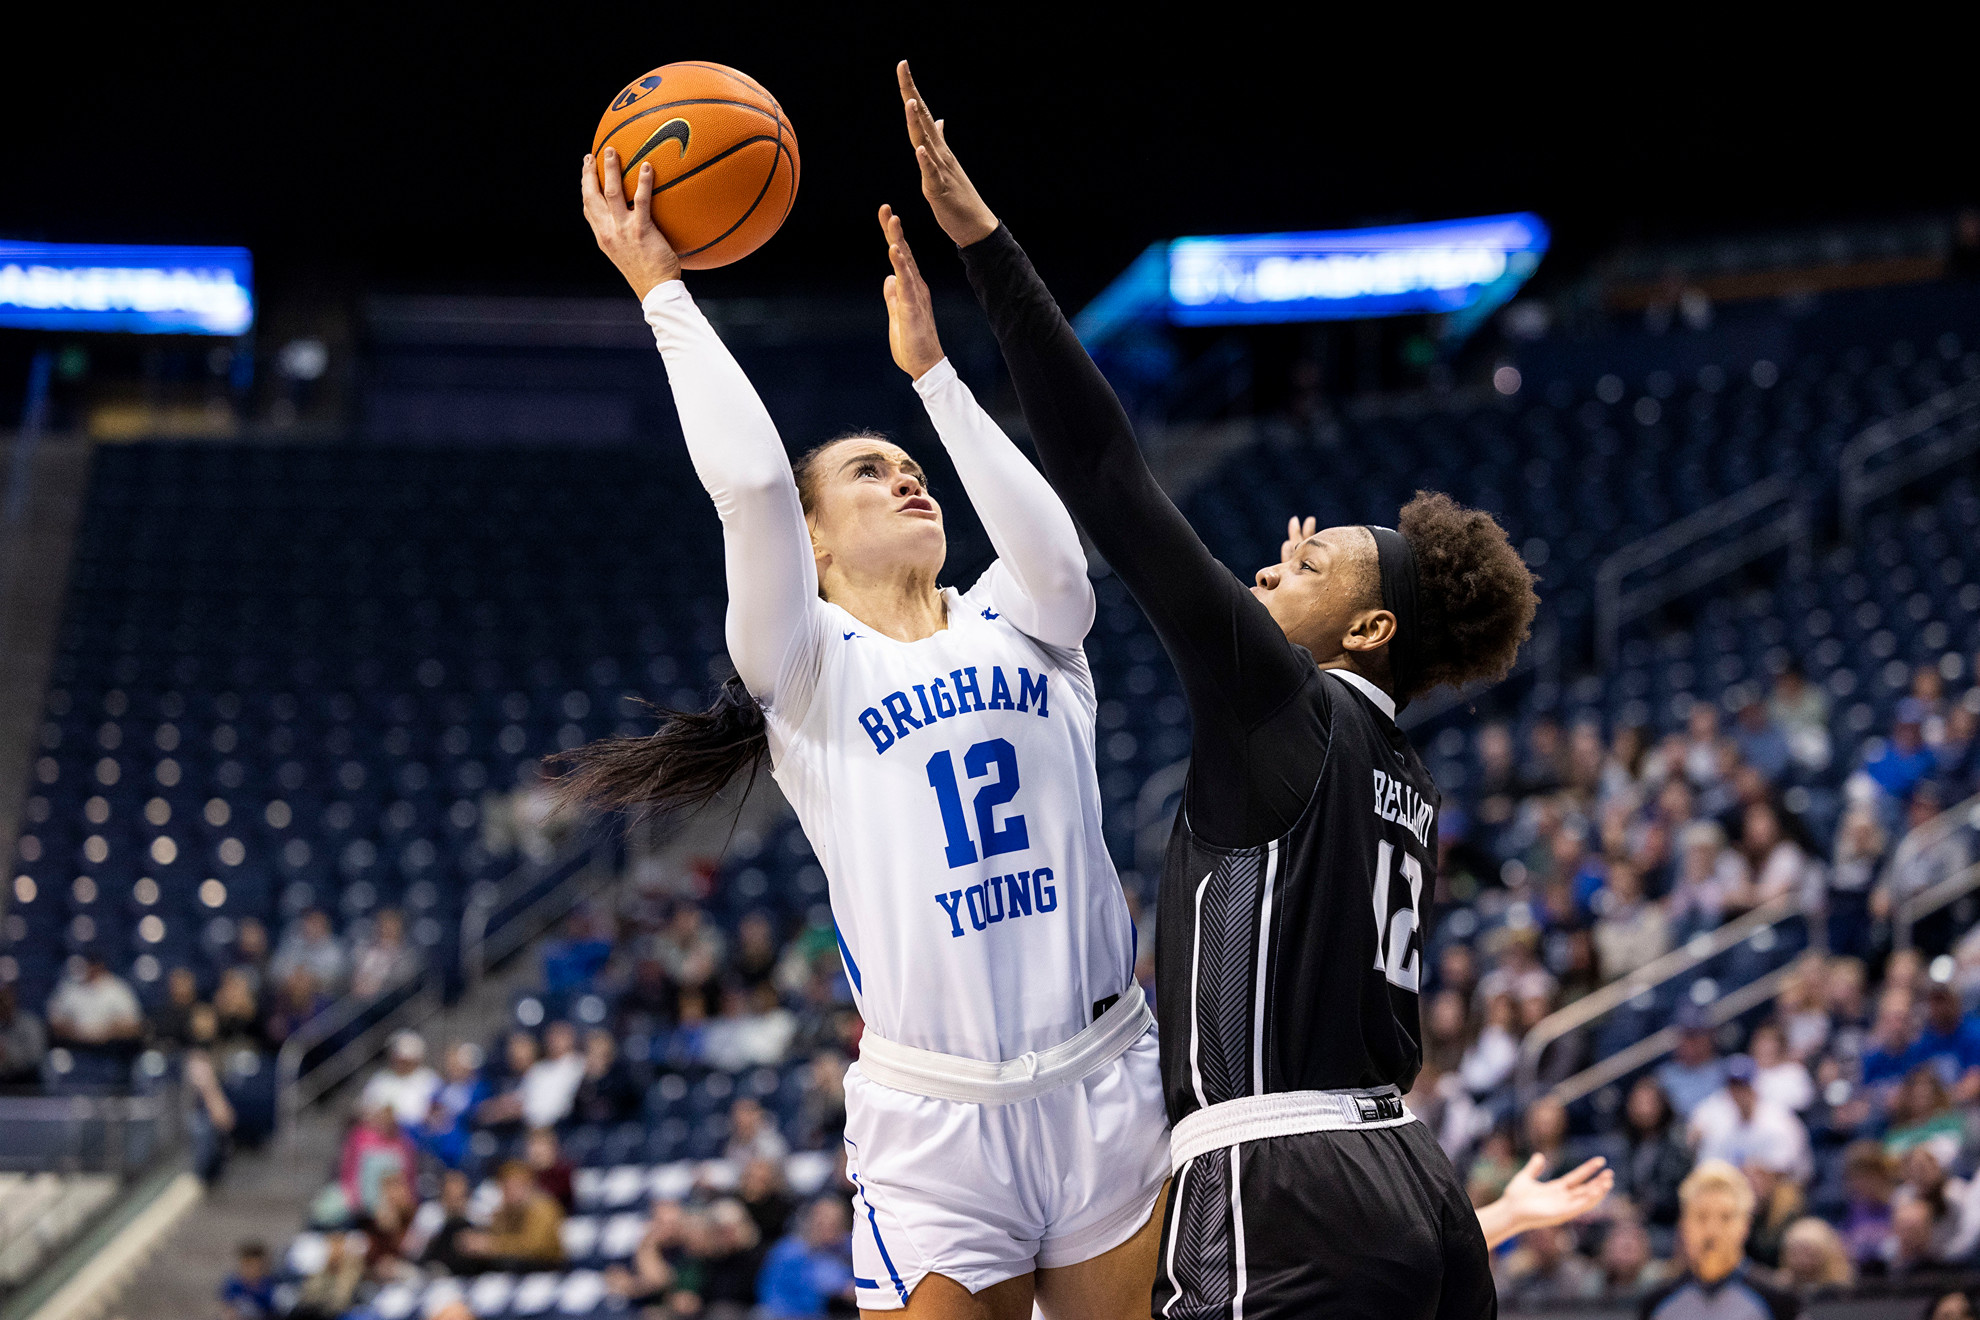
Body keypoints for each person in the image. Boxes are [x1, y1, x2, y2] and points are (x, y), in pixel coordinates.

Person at [895, 60, 1597, 1320]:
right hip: (1413, 1185)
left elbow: (1107, 474)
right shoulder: (1405, 777)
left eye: (1313, 560)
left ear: (1371, 626)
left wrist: (986, 248)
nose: (1279, 558)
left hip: (1279, 1189)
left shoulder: (1291, 710)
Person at [565, 123, 1167, 1319]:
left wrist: (934, 379)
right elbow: (746, 486)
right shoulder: (805, 664)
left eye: (910, 464)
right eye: (866, 473)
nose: (906, 476)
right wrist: (663, 293)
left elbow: (1056, 547)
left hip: (1105, 1080)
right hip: (936, 1117)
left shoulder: (1021, 616)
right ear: (816, 545)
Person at [1640, 1160, 1800, 1320]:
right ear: (1684, 1226)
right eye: (1701, 1217)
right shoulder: (1657, 1302)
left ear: (1745, 1225)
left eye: (1726, 1217)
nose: (1712, 1231)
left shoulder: (1778, 1300)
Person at [455, 1159, 566, 1271]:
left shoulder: (544, 1208)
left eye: (516, 1185)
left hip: (544, 1268)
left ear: (529, 1185)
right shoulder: (504, 1211)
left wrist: (491, 1245)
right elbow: (495, 1234)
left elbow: (534, 1247)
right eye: (506, 1186)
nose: (510, 1191)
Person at [757, 1197, 857, 1319]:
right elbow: (772, 1296)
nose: (827, 1228)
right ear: (811, 1221)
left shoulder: (852, 1248)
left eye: (834, 1223)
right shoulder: (788, 1252)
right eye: (821, 1222)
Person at [45, 950, 142, 1049]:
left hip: (110, 1050)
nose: (91, 970)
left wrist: (105, 1032)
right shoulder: (68, 989)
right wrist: (80, 1033)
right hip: (74, 1048)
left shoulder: (118, 990)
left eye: (94, 966)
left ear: (101, 967)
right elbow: (54, 1025)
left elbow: (134, 1027)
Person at [358, 1030, 442, 1129]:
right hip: (381, 1135)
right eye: (399, 1058)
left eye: (406, 1060)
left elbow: (434, 1114)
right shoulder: (381, 1079)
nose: (401, 1063)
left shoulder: (430, 1079)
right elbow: (365, 1109)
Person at [270, 909, 349, 997]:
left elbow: (338, 978)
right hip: (289, 995)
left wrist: (310, 979)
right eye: (309, 922)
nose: (312, 927)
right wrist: (293, 978)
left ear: (326, 927)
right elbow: (274, 971)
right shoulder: (293, 943)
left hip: (324, 998)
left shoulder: (335, 950)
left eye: (316, 924)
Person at [0, 984, 48, 1083]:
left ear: (13, 999)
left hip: (28, 1085)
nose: (3, 1004)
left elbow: (35, 1057)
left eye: (5, 999)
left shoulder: (30, 1024)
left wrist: (7, 1055)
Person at [218, 1240, 276, 1320]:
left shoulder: (270, 1286)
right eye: (248, 1266)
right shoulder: (233, 1285)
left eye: (256, 1267)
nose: (252, 1271)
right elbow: (228, 1307)